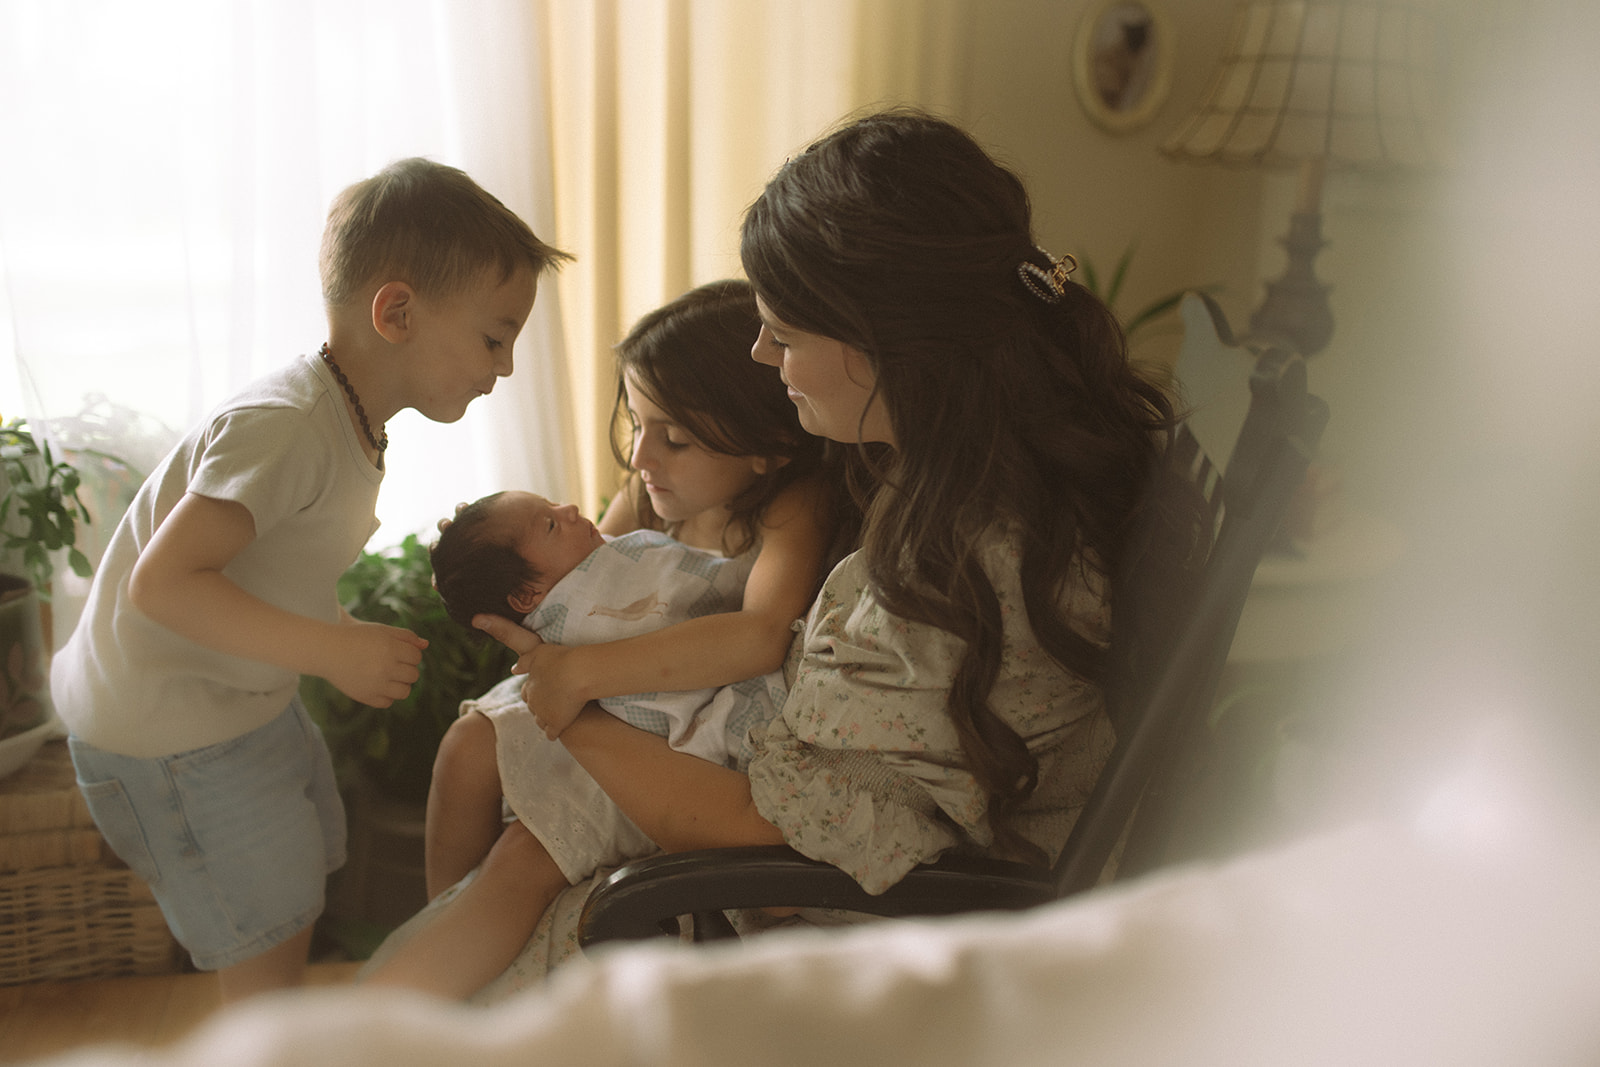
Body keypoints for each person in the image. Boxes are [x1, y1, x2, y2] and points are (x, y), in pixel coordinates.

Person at [388, 107, 1191, 1002]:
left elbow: (759, 828)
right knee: (510, 856)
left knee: (505, 937)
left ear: (885, 340)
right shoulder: (971, 470)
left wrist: (570, 701)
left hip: (849, 938)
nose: (765, 353)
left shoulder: (957, 565)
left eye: (786, 332)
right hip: (824, 866)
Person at [48, 157, 571, 1003]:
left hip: (227, 702)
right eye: (493, 335)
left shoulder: (348, 418)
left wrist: (327, 630)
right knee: (261, 936)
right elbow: (166, 584)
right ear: (396, 312)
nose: (505, 366)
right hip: (168, 732)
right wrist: (331, 647)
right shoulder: (287, 425)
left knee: (295, 883)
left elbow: (276, 555)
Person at [362, 280, 845, 997]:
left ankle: (429, 991)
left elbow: (759, 635)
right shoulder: (654, 484)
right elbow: (585, 570)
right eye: (638, 424)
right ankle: (452, 932)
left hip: (674, 722)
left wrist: (582, 674)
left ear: (766, 447)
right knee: (466, 749)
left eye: (673, 437)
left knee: (524, 857)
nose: (643, 458)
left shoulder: (787, 505)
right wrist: (492, 564)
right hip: (608, 686)